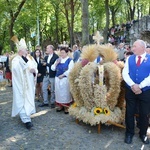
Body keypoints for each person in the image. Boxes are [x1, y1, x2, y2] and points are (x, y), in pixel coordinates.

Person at [122, 39, 150, 144]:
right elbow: (125, 73)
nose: (132, 48)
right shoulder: (129, 59)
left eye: (135, 46)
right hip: (131, 90)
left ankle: (143, 134)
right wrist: (133, 85)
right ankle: (129, 133)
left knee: (144, 114)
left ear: (142, 47)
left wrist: (141, 86)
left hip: (146, 91)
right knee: (129, 112)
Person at [11, 38, 38, 130]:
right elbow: (15, 69)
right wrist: (23, 65)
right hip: (20, 85)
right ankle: (27, 121)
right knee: (22, 101)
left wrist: (34, 70)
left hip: (29, 84)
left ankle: (28, 115)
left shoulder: (29, 58)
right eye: (25, 49)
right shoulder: (16, 60)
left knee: (28, 99)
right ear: (20, 50)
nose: (27, 51)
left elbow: (34, 66)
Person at [51, 47, 74, 114]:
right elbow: (52, 68)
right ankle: (60, 106)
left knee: (65, 93)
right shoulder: (58, 60)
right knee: (58, 93)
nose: (62, 54)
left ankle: (66, 107)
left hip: (65, 79)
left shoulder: (70, 60)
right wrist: (56, 63)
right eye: (61, 53)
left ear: (67, 53)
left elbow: (70, 70)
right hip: (57, 79)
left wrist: (63, 75)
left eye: (63, 53)